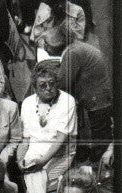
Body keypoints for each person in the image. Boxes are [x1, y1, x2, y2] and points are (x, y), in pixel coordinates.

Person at [18, 61, 77, 193]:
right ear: (35, 88)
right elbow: (25, 139)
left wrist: (42, 162)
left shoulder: (67, 101)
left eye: (52, 83)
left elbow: (61, 139)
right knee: (33, 171)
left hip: (60, 153)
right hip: (34, 152)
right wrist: (19, 159)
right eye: (42, 85)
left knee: (34, 175)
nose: (48, 88)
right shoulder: (28, 103)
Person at [44, 27, 112, 162]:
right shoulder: (75, 48)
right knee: (100, 133)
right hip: (99, 94)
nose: (45, 47)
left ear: (58, 43)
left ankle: (99, 166)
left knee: (100, 136)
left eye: (47, 44)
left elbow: (63, 82)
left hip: (98, 99)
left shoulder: (72, 53)